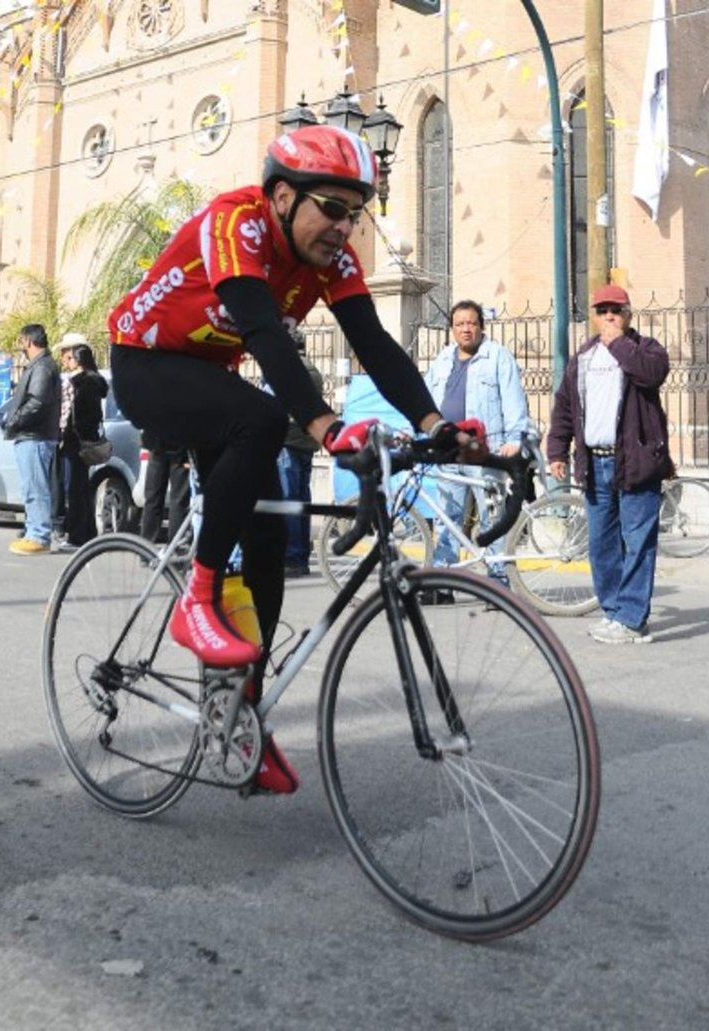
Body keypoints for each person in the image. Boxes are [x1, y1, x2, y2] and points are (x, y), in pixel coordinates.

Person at [108, 124, 480, 794]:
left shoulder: (331, 261)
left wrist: (435, 423)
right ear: (282, 196)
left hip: (210, 377)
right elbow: (259, 332)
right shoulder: (237, 222)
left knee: (271, 536)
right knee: (264, 418)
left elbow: (375, 345)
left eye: (354, 213)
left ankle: (239, 718)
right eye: (331, 209)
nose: (345, 227)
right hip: (147, 363)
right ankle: (193, 600)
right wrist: (325, 423)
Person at [547, 284, 673, 645]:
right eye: (602, 310)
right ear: (594, 315)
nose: (608, 316)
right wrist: (558, 450)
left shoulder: (645, 349)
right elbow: (566, 408)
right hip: (595, 464)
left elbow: (652, 374)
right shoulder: (582, 358)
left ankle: (632, 620)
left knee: (637, 541)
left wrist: (617, 344)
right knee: (602, 544)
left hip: (634, 463)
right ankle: (615, 612)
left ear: (628, 314)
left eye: (615, 310)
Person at [424, 300, 529, 585]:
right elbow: (427, 403)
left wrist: (514, 440)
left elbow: (513, 400)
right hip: (448, 453)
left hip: (485, 453)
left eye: (471, 323)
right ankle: (444, 582)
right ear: (452, 329)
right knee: (448, 518)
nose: (466, 329)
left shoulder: (497, 357)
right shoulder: (443, 359)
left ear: (481, 326)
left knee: (491, 517)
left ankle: (497, 580)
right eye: (460, 324)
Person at [3, 323, 61, 554]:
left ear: (28, 341)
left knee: (36, 489)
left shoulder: (43, 367)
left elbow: (37, 402)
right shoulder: (39, 366)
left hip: (35, 436)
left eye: (21, 341)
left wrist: (14, 419)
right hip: (31, 435)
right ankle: (33, 532)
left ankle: (39, 535)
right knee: (31, 488)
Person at [276, 330, 323, 577]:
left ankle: (292, 557)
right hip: (306, 441)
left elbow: (276, 406)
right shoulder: (313, 369)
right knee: (302, 500)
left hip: (289, 440)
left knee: (288, 501)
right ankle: (300, 555)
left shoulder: (288, 369)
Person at [56, 342, 108, 549]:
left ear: (77, 360)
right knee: (83, 488)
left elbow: (71, 414)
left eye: (69, 358)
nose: (66, 362)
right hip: (88, 439)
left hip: (75, 441)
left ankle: (77, 536)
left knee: (74, 489)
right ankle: (87, 532)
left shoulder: (79, 383)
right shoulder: (97, 382)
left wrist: (67, 434)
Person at [139, 432, 191, 546]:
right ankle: (176, 548)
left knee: (152, 499)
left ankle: (146, 547)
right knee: (178, 501)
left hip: (157, 442)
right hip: (181, 445)